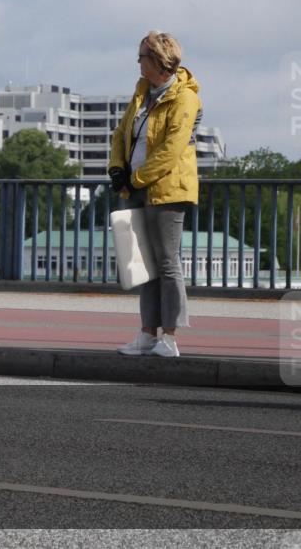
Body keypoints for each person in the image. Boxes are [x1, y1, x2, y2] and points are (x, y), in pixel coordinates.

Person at [109, 31, 201, 358]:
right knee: (143, 263)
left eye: (142, 57)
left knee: (167, 261)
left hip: (167, 190)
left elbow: (171, 149)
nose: (138, 62)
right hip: (135, 186)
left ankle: (170, 337)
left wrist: (137, 179)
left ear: (159, 60)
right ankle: (147, 333)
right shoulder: (142, 92)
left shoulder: (184, 97)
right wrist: (117, 169)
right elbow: (121, 133)